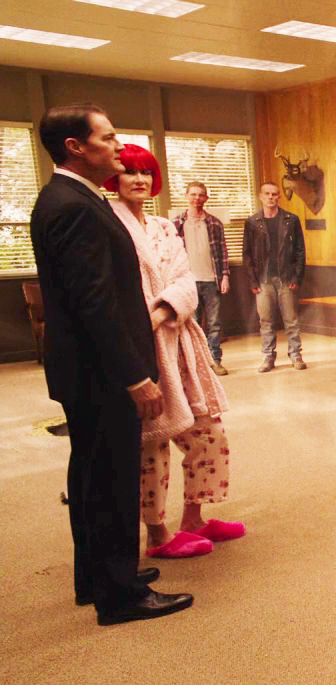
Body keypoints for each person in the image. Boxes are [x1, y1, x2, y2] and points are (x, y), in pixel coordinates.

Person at [30, 103, 192, 624]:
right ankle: (120, 596)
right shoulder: (74, 206)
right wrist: (136, 376)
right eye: (108, 137)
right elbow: (95, 303)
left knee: (91, 476)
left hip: (87, 370)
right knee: (111, 482)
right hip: (101, 374)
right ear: (75, 147)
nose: (119, 145)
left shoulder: (71, 196)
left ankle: (97, 577)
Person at [105, 145, 245, 558]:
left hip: (178, 343)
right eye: (130, 171)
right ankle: (157, 534)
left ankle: (194, 519)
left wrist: (163, 311)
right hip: (140, 351)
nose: (139, 179)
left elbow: (186, 281)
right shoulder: (107, 223)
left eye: (146, 172)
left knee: (209, 434)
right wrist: (142, 327)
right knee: (153, 443)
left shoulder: (165, 227)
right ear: (114, 177)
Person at [243, 181, 306, 373]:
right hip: (263, 280)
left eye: (274, 194)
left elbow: (300, 251)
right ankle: (268, 357)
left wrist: (296, 277)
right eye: (267, 194)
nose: (271, 197)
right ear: (261, 196)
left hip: (286, 278)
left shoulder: (291, 220)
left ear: (279, 197)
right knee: (266, 321)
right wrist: (253, 280)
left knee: (291, 320)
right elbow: (247, 254)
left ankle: (295, 355)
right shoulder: (252, 222)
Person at [172, 181, 229, 376]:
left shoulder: (214, 223)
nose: (197, 198)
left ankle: (215, 360)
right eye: (193, 194)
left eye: (201, 195)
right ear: (186, 196)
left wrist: (225, 276)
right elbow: (171, 254)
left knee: (214, 324)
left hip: (211, 280)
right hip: (187, 282)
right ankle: (196, 364)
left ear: (206, 198)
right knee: (192, 325)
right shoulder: (176, 224)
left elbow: (222, 252)